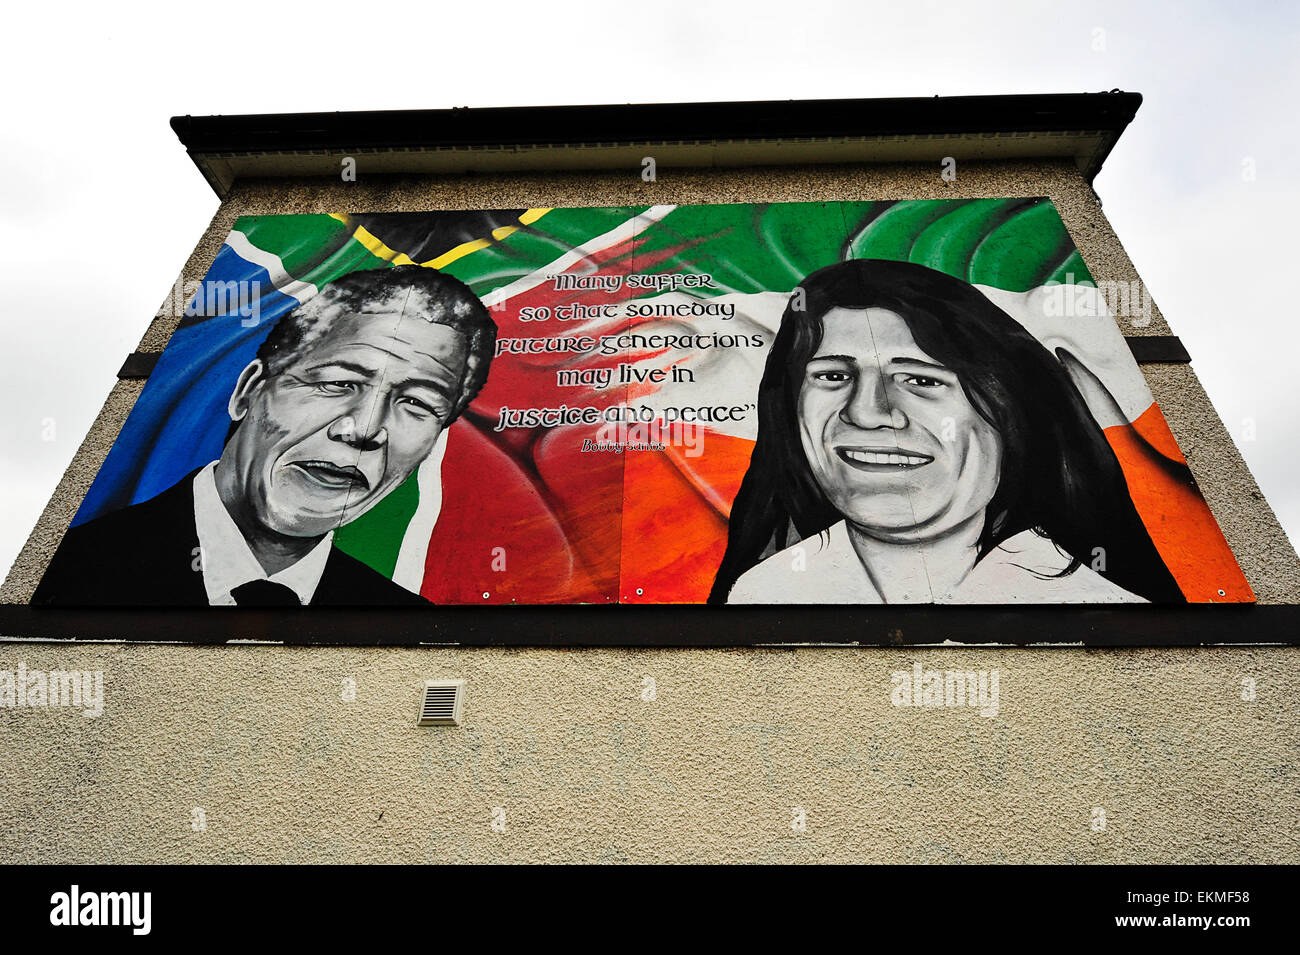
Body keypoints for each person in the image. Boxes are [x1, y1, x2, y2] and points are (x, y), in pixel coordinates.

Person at [709, 258, 1185, 605]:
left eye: (920, 379)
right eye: (833, 375)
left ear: (1006, 413)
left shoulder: (1098, 608)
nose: (869, 413)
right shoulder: (759, 594)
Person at [34, 266, 496, 607]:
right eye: (336, 383)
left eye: (417, 404)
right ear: (249, 390)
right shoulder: (65, 575)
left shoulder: (404, 625)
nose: (363, 429)